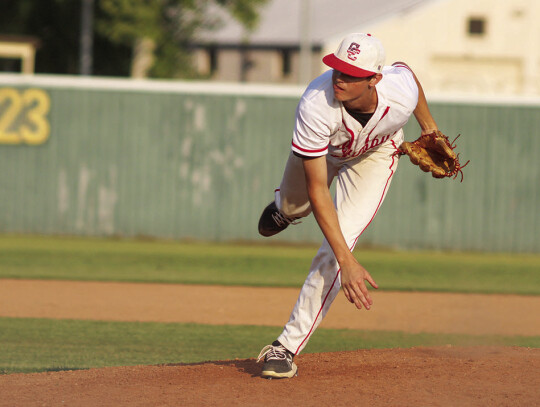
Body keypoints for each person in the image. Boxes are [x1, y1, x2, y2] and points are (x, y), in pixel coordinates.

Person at [255, 33, 439, 379]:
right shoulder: (315, 103)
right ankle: (285, 209)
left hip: (374, 154)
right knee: (299, 207)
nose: (340, 78)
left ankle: (286, 347)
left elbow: (409, 75)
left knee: (337, 247)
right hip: (323, 156)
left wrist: (429, 128)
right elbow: (318, 188)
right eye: (338, 68)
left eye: (352, 73)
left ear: (374, 79)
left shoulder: (397, 92)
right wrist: (347, 261)